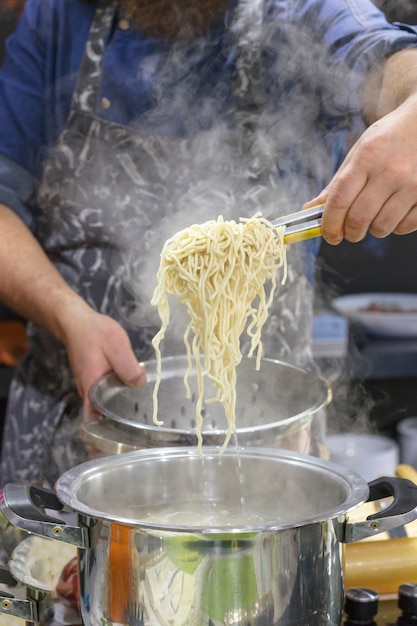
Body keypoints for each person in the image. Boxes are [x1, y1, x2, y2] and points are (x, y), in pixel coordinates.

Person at [1, 0, 417, 487]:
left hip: (269, 438)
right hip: (79, 428)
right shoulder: (59, 18)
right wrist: (69, 316)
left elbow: (384, 57)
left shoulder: (300, 10)